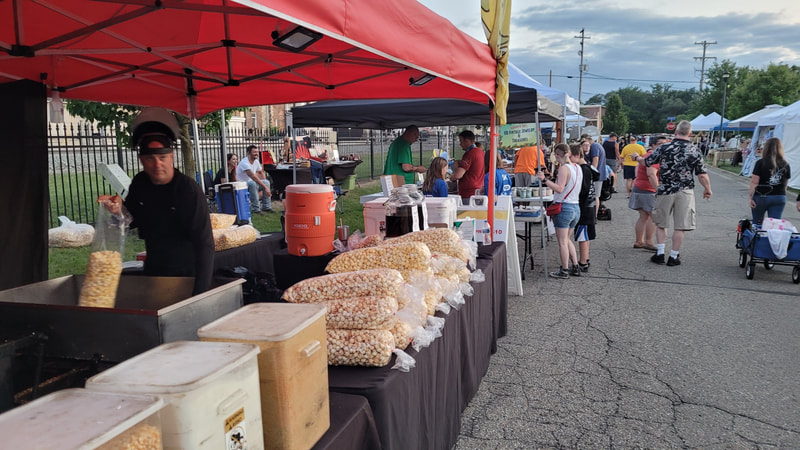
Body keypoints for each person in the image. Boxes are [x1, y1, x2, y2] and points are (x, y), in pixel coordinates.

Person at [100, 107, 214, 295]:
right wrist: (117, 211)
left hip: (187, 274)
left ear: (172, 157)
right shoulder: (140, 183)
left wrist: (201, 291)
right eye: (150, 159)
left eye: (162, 158)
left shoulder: (188, 190)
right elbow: (132, 218)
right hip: (155, 271)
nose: (157, 164)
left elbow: (205, 243)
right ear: (141, 160)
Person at [635, 120, 712, 266]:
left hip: (665, 189)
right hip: (685, 191)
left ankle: (660, 253)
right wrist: (708, 189)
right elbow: (702, 174)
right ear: (690, 134)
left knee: (661, 224)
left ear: (675, 132)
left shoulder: (664, 147)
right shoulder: (694, 150)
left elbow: (647, 162)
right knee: (680, 226)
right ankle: (673, 256)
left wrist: (637, 158)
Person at [537, 143, 582, 279]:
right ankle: (575, 265)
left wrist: (544, 180)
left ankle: (564, 269)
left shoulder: (564, 168)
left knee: (562, 241)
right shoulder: (577, 167)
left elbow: (560, 188)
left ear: (557, 155)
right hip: (575, 206)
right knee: (567, 239)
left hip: (564, 208)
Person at [629, 135, 667, 251]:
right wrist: (658, 190)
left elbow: (637, 170)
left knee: (643, 216)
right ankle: (649, 241)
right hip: (648, 190)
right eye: (660, 144)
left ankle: (639, 241)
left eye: (665, 143)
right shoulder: (653, 157)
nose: (664, 146)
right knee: (653, 217)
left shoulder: (646, 155)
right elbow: (651, 174)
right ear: (653, 145)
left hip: (639, 188)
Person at [749, 137, 790, 224]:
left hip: (762, 195)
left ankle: (759, 237)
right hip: (779, 196)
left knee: (757, 223)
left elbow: (754, 182)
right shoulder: (785, 164)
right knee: (774, 224)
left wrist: (750, 198)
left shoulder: (760, 163)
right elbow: (785, 184)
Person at [570, 143, 597, 273]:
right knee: (585, 235)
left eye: (570, 157)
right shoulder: (587, 167)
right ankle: (585, 259)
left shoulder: (582, 169)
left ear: (576, 155)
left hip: (585, 207)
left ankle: (583, 261)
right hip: (589, 206)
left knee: (582, 236)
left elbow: (584, 189)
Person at [451, 130, 485, 204]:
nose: (460, 144)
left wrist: (452, 176)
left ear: (467, 141)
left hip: (468, 193)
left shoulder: (469, 154)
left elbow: (458, 175)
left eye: (461, 141)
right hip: (480, 189)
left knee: (467, 214)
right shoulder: (481, 153)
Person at [236, 144, 272, 213]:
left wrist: (264, 184)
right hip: (242, 185)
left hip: (251, 182)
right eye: (254, 152)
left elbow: (260, 172)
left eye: (257, 152)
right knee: (252, 183)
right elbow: (253, 176)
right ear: (248, 153)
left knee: (266, 182)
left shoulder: (256, 161)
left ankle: (267, 207)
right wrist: (265, 188)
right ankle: (255, 209)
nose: (257, 154)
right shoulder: (244, 163)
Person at [581, 134, 607, 215]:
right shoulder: (597, 145)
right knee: (596, 195)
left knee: (595, 196)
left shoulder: (594, 146)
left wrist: (591, 173)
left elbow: (595, 160)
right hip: (600, 174)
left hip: (597, 176)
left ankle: (594, 215)